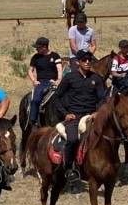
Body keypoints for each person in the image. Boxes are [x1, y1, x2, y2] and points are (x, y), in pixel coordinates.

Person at [53, 50, 106, 183]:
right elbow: (56, 98)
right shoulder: (69, 78)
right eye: (84, 60)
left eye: (89, 60)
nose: (88, 62)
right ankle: (70, 168)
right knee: (72, 139)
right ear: (78, 62)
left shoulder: (96, 79)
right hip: (75, 117)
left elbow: (102, 99)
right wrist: (65, 114)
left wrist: (98, 112)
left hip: (92, 116)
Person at [28, 37, 63, 127]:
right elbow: (30, 70)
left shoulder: (55, 56)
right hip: (42, 82)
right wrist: (34, 80)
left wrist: (59, 80)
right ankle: (33, 120)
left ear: (44, 47)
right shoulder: (35, 57)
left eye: (38, 47)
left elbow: (59, 68)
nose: (36, 49)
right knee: (36, 99)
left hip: (54, 81)